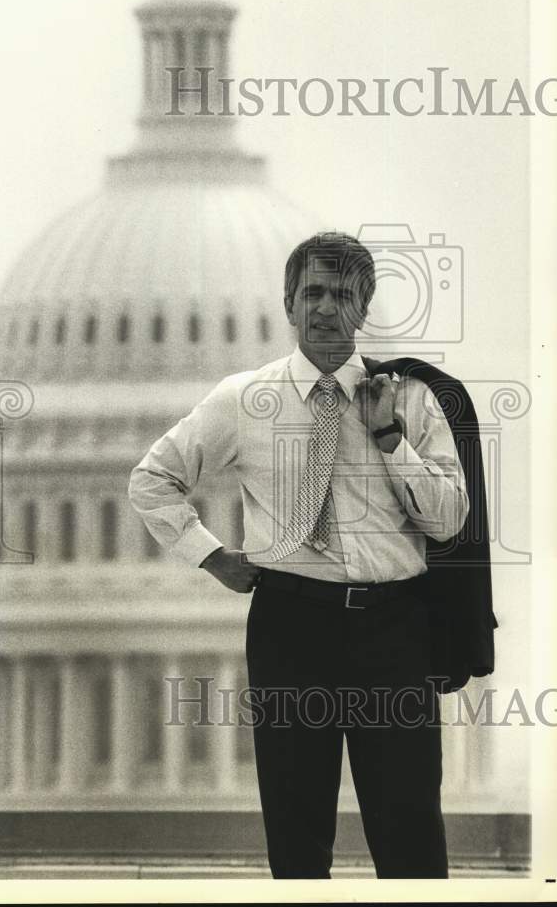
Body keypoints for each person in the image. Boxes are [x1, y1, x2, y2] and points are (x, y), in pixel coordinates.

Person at [128, 231, 471, 879]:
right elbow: (152, 479)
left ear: (362, 308)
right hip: (292, 625)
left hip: (392, 629)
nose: (324, 308)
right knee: (295, 832)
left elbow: (448, 518)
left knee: (411, 835)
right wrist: (211, 556)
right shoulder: (242, 398)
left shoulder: (410, 399)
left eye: (342, 295)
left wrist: (390, 438)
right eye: (312, 292)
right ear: (288, 301)